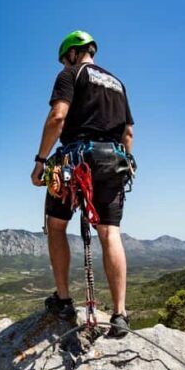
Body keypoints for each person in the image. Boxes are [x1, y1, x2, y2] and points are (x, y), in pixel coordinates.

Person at [30, 30, 135, 338]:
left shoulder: (71, 75)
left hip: (76, 161)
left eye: (65, 59)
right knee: (109, 233)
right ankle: (119, 314)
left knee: (57, 225)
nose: (64, 64)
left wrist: (40, 160)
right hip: (114, 162)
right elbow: (127, 133)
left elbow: (57, 118)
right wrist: (126, 162)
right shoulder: (118, 84)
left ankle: (63, 300)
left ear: (73, 53)